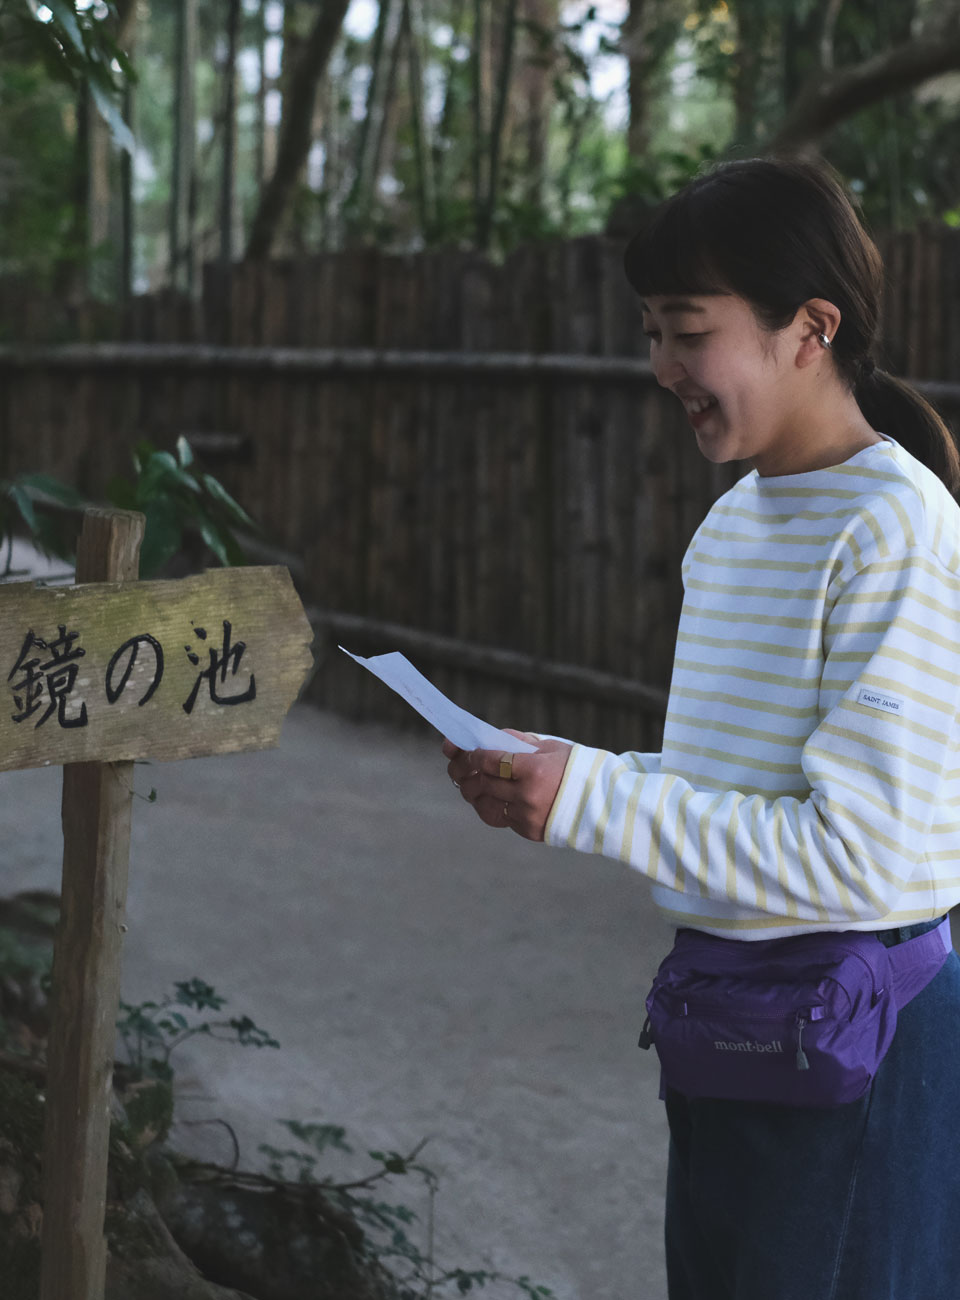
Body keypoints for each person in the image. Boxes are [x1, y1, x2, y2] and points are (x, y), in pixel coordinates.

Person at [442, 156, 960, 1300]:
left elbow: (856, 854)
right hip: (731, 1025)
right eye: (652, 332)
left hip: (854, 1043)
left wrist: (598, 800)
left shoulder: (896, 528)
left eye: (687, 331)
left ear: (807, 328)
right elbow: (735, 784)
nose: (662, 367)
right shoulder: (736, 524)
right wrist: (571, 778)